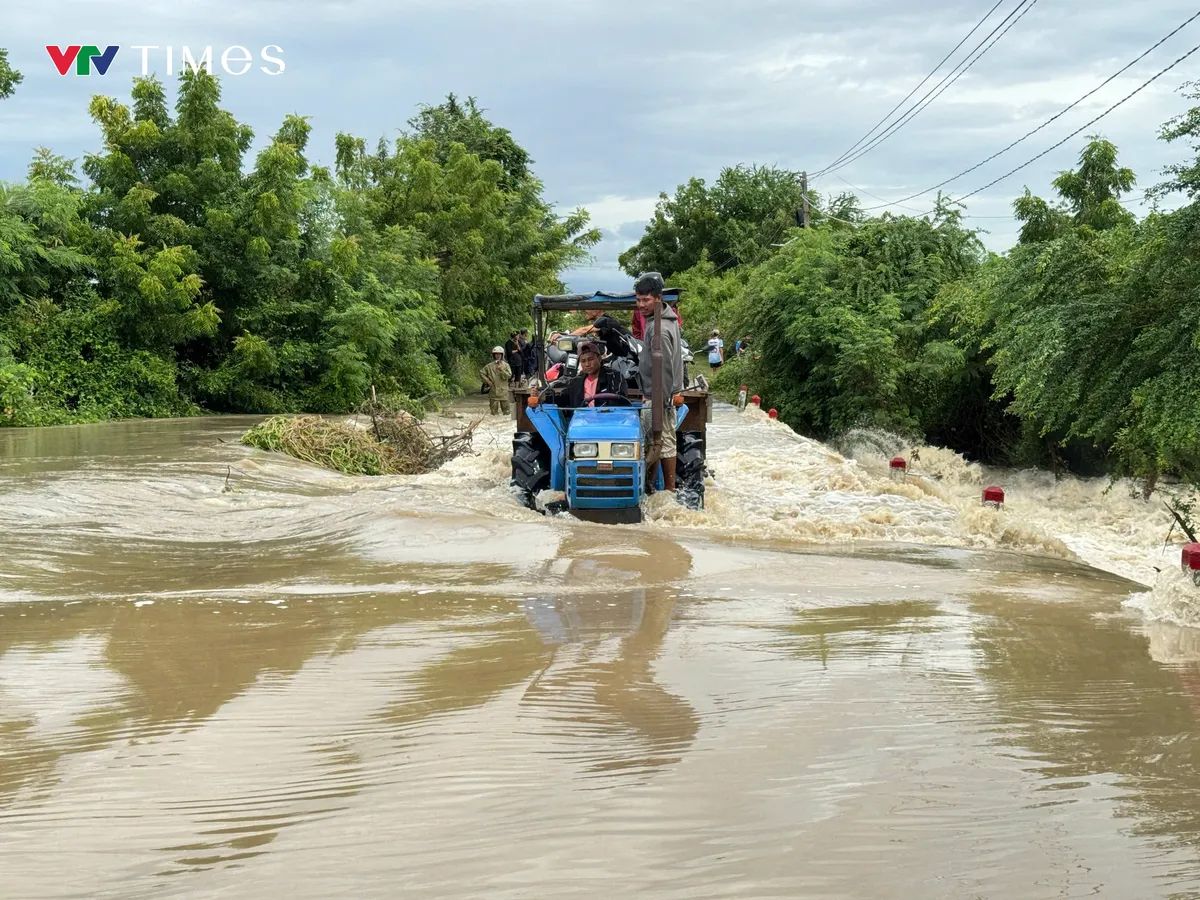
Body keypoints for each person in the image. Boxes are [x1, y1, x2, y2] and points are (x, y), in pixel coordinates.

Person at [634, 271, 682, 491]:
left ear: (659, 298)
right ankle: (651, 488)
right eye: (638, 300)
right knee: (655, 443)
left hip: (659, 396)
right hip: (658, 395)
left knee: (662, 442)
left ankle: (668, 490)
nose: (641, 305)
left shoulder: (659, 331)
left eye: (646, 300)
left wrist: (659, 404)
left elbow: (664, 370)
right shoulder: (662, 320)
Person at [551, 340, 626, 409]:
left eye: (590, 359)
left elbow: (618, 400)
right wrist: (546, 397)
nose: (587, 364)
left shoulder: (614, 377)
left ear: (599, 359)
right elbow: (563, 398)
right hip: (580, 418)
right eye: (583, 361)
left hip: (606, 417)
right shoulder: (576, 382)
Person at [480, 346, 512, 415]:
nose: (498, 356)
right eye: (496, 354)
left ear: (502, 355)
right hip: (493, 391)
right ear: (493, 355)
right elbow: (482, 373)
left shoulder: (506, 365)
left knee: (507, 412)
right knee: (494, 413)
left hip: (504, 392)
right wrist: (487, 381)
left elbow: (509, 376)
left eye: (499, 354)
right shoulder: (489, 366)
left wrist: (501, 370)